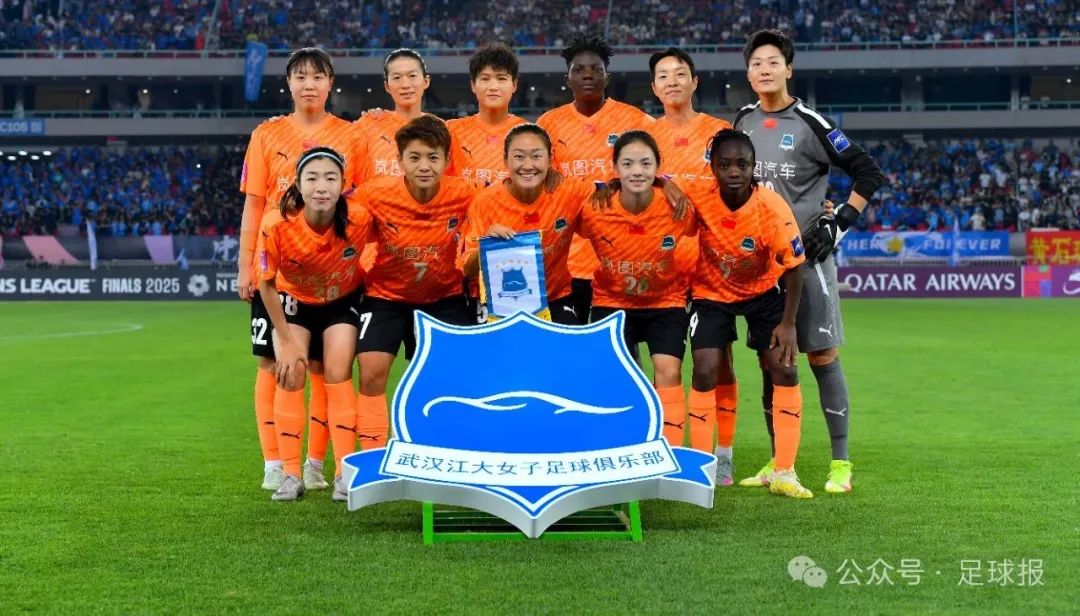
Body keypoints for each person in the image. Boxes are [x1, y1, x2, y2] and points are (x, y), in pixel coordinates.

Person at [733, 30, 884, 493]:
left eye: (772, 62)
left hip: (808, 260)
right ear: (748, 73)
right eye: (757, 63)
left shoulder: (811, 123)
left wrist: (838, 223)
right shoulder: (742, 121)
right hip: (761, 264)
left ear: (788, 69)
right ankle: (778, 461)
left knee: (822, 355)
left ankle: (841, 463)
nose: (764, 69)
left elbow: (868, 171)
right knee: (771, 360)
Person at [237, 47, 366, 494]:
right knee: (273, 362)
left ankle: (315, 463)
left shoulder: (352, 135)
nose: (309, 84)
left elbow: (361, 204)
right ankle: (275, 462)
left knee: (327, 367)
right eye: (300, 76)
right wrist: (246, 263)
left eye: (317, 76)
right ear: (288, 84)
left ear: (330, 83)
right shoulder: (266, 133)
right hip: (277, 266)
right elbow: (254, 203)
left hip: (333, 269)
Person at [687, 129, 811, 498]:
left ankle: (784, 471)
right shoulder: (698, 198)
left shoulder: (771, 207)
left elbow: (795, 266)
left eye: (742, 164)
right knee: (706, 368)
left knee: (784, 367)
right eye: (725, 164)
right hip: (711, 293)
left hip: (762, 292)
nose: (734, 171)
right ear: (713, 167)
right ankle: (709, 463)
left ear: (754, 166)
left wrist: (788, 324)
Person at [351, 116, 477, 450]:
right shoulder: (373, 194)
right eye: (415, 157)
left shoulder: (464, 194)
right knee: (371, 372)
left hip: (444, 298)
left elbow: (496, 207)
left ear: (447, 160)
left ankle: (439, 450)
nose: (424, 166)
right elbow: (340, 216)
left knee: (447, 379)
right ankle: (373, 455)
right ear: (400, 160)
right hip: (385, 297)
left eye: (433, 157)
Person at [257, 147, 373, 502]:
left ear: (344, 183)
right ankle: (291, 475)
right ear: (297, 184)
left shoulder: (360, 218)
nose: (321, 187)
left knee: (338, 373)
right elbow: (266, 283)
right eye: (312, 178)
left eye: (330, 178)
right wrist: (286, 339)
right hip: (295, 302)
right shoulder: (277, 224)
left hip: (341, 301)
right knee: (291, 372)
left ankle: (344, 475)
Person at [644, 46, 736, 461]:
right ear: (654, 88)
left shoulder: (719, 132)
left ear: (694, 82)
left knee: (717, 361)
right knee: (665, 364)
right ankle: (665, 447)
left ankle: (724, 452)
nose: (672, 81)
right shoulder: (646, 136)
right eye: (663, 76)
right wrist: (665, 182)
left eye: (680, 73)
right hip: (662, 265)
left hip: (710, 265)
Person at [579, 131, 696, 447]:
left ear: (658, 167)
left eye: (646, 163)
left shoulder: (678, 205)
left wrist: (668, 183)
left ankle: (670, 451)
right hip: (612, 302)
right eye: (628, 164)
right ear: (615, 167)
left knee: (668, 371)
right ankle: (620, 448)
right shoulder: (593, 207)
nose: (637, 171)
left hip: (665, 302)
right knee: (615, 378)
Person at [537, 34, 656, 324]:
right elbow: (542, 185)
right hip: (566, 259)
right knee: (569, 343)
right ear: (567, 79)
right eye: (579, 69)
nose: (588, 75)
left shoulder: (636, 122)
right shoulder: (548, 125)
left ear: (607, 76)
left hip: (621, 255)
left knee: (621, 344)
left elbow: (655, 173)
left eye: (596, 69)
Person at [459, 124, 597, 325]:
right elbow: (467, 271)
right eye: (519, 156)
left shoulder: (569, 192)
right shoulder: (485, 203)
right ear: (505, 159)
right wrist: (487, 247)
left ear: (550, 158)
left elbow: (608, 193)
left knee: (568, 345)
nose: (528, 165)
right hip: (495, 303)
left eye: (536, 156)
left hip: (554, 299)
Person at [447, 44, 528, 323]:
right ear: (473, 85)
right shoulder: (452, 132)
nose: (493, 86)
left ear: (514, 85)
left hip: (512, 252)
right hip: (459, 257)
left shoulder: (528, 135)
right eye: (485, 78)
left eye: (501, 78)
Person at [354, 48, 432, 183]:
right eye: (397, 78)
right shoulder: (368, 125)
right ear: (387, 86)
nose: (405, 85)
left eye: (412, 76)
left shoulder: (440, 128)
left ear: (426, 81)